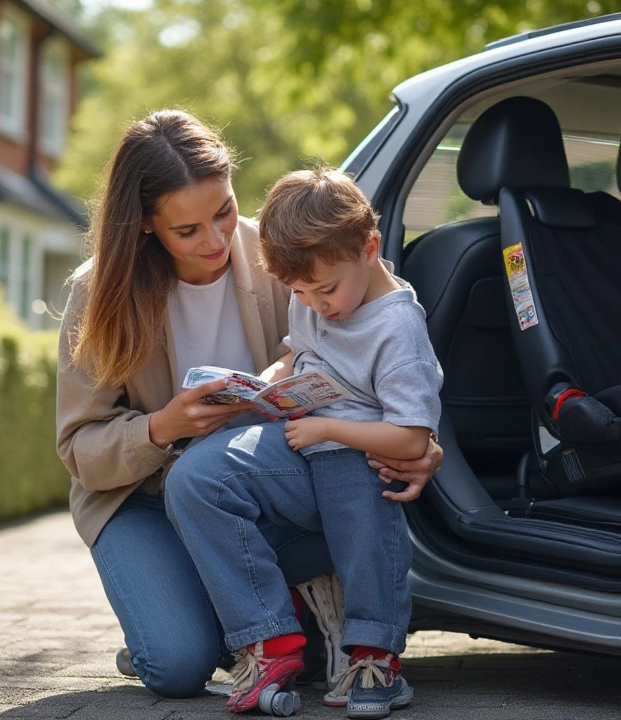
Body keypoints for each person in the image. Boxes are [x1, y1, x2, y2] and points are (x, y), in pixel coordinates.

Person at [55, 109, 442, 701]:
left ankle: (229, 614)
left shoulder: (283, 253)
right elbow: (79, 448)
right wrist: (163, 427)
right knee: (177, 666)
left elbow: (384, 343)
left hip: (260, 489)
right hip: (142, 499)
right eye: (187, 231)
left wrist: (422, 447)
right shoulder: (97, 291)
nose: (214, 241)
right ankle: (181, 622)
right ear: (144, 227)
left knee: (351, 512)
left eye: (225, 212)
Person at [165, 168, 441, 718]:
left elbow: (410, 438)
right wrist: (268, 382)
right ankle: (268, 643)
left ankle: (374, 657)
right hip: (297, 441)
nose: (316, 304)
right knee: (196, 478)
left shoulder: (397, 329)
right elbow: (299, 353)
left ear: (369, 248)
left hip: (357, 453)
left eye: (326, 289)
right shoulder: (313, 294)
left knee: (358, 490)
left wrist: (329, 429)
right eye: (298, 293)